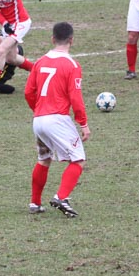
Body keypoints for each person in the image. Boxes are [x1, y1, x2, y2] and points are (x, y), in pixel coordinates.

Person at [24, 21, 90, 218]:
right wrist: (83, 123)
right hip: (57, 119)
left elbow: (28, 92)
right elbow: (75, 98)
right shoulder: (72, 65)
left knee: (44, 159)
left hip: (39, 120)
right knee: (78, 159)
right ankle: (61, 197)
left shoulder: (40, 62)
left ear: (52, 39)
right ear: (71, 40)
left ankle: (35, 203)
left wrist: (38, 110)